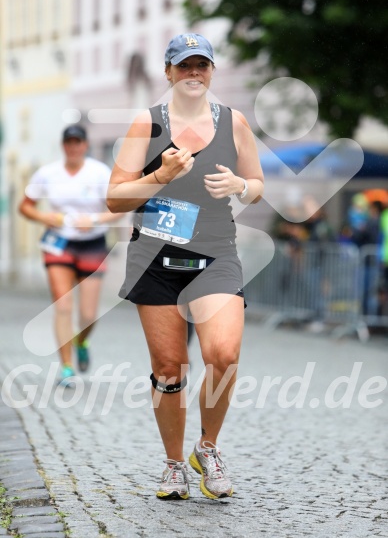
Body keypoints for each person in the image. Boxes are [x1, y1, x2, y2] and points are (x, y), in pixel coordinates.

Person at [107, 33, 264, 500]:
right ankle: (174, 464)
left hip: (215, 255)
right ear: (169, 72)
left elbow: (257, 184)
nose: (195, 73)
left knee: (224, 354)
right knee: (170, 367)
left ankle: (208, 449)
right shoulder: (147, 124)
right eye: (185, 65)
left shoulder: (234, 123)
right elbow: (115, 198)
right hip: (154, 259)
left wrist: (240, 184)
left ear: (212, 72)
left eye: (203, 65)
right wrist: (159, 176)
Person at [19, 125, 122, 386]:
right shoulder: (48, 173)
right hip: (59, 243)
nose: (73, 148)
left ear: (85, 145)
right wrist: (44, 216)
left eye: (78, 143)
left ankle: (82, 341)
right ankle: (66, 368)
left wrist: (95, 219)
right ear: (63, 145)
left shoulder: (99, 173)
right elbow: (25, 206)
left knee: (88, 314)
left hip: (92, 244)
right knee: (63, 306)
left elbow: (119, 209)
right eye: (69, 143)